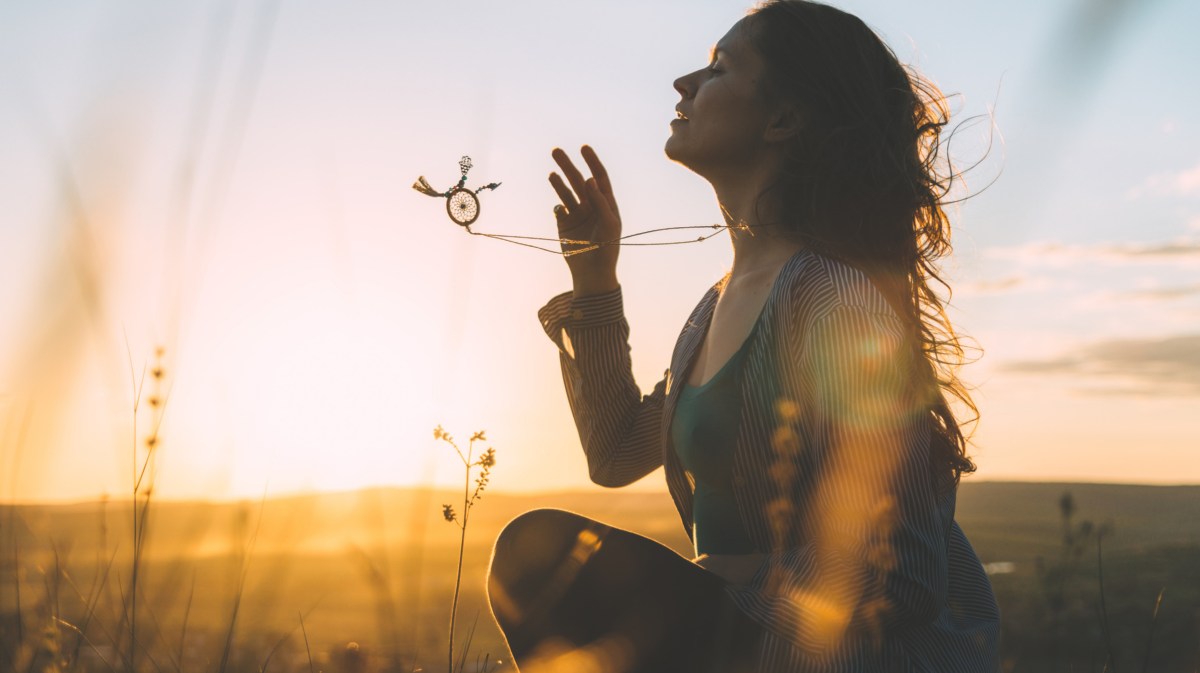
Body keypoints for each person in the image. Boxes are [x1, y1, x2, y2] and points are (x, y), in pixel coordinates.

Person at [486, 1, 1001, 671]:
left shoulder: (832, 301)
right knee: (537, 557)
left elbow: (903, 574)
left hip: (838, 656)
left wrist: (731, 585)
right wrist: (594, 286)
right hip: (745, 635)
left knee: (548, 549)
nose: (683, 86)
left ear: (783, 119)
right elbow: (614, 453)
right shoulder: (715, 307)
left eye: (718, 69)